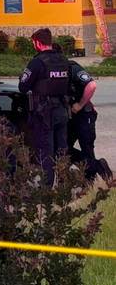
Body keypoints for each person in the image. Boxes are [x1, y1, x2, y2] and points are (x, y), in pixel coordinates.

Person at [18, 28, 72, 185]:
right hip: (62, 110)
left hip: (44, 113)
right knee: (62, 148)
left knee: (45, 150)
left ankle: (46, 188)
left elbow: (23, 86)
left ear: (38, 43)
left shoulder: (37, 62)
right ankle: (64, 185)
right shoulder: (63, 60)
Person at [64, 49, 112, 181]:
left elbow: (91, 85)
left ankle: (92, 178)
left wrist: (80, 104)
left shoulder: (72, 67)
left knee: (86, 148)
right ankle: (95, 167)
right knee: (64, 149)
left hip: (84, 114)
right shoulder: (55, 72)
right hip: (70, 117)